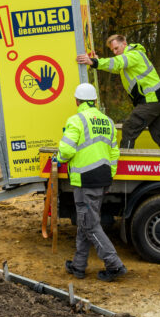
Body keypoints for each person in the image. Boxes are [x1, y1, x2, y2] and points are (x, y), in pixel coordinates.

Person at [57, 82, 128, 282]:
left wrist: (59, 158)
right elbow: (114, 153)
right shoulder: (107, 121)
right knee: (86, 222)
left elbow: (67, 150)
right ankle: (78, 265)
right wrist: (109, 174)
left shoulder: (76, 120)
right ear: (95, 101)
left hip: (85, 180)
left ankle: (114, 265)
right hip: (102, 178)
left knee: (89, 225)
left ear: (77, 101)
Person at [77, 34, 160, 149]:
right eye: (112, 50)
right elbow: (115, 67)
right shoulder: (127, 60)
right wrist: (97, 61)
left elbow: (117, 62)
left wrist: (93, 62)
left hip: (151, 100)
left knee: (129, 128)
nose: (114, 52)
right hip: (158, 100)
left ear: (124, 44)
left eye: (116, 48)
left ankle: (126, 160)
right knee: (159, 135)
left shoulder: (134, 55)